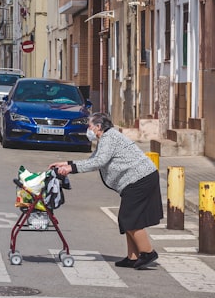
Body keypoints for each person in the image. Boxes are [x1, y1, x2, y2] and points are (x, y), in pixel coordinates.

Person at [49, 113, 162, 270]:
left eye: (89, 126)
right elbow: (92, 160)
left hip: (140, 179)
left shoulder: (109, 138)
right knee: (128, 218)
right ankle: (133, 256)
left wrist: (70, 168)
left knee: (129, 218)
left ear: (98, 127)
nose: (88, 129)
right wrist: (67, 163)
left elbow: (99, 162)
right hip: (136, 180)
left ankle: (147, 252)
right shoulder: (106, 138)